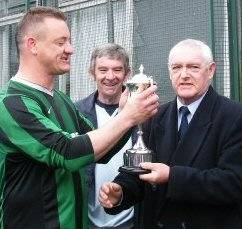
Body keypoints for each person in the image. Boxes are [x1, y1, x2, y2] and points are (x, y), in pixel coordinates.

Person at [0, 6, 159, 229]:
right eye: (61, 42)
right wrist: (128, 117)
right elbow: (66, 152)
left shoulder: (62, 100)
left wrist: (124, 112)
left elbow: (98, 151)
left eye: (70, 41)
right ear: (32, 45)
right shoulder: (11, 103)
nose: (71, 49)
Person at [99, 39, 242, 229]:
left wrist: (172, 176)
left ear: (211, 70)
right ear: (169, 72)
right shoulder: (155, 116)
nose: (184, 75)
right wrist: (120, 191)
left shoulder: (234, 116)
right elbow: (140, 169)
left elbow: (234, 183)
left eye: (193, 67)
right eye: (177, 68)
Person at [75, 43, 135, 229]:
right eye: (103, 70)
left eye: (117, 69)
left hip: (133, 219)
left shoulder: (143, 111)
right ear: (92, 72)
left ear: (127, 74)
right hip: (88, 220)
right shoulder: (76, 112)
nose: (110, 76)